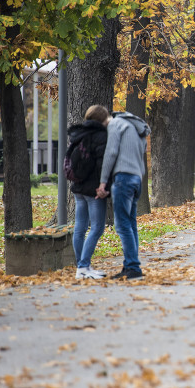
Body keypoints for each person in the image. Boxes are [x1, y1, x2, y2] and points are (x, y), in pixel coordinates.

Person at [96, 111, 150, 280]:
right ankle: (130, 265)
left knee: (122, 224)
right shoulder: (135, 127)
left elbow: (111, 152)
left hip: (123, 178)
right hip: (137, 178)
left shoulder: (115, 124)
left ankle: (133, 267)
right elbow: (143, 151)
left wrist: (103, 182)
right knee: (130, 223)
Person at [68, 105, 110, 280]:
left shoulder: (77, 134)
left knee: (80, 228)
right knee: (97, 227)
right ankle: (83, 266)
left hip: (78, 187)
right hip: (94, 189)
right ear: (102, 119)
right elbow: (102, 163)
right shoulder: (101, 136)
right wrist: (104, 186)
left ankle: (82, 267)